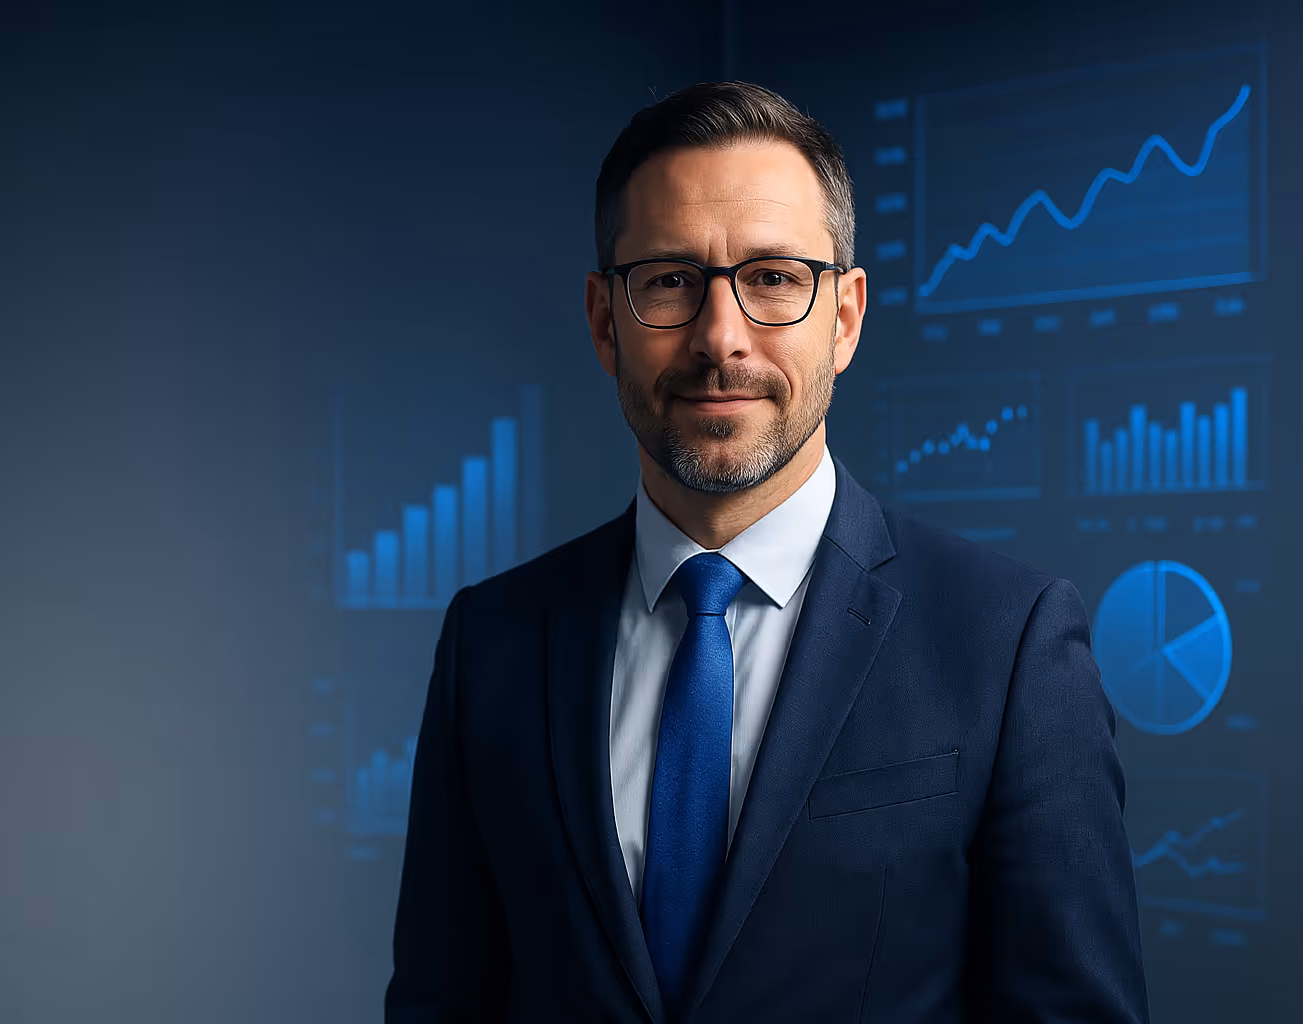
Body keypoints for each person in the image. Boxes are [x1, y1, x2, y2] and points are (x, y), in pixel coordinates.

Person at [384, 80, 1149, 1023]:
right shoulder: (491, 642)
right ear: (603, 320)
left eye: (775, 278)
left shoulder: (1009, 644)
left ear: (845, 318)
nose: (721, 338)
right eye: (669, 280)